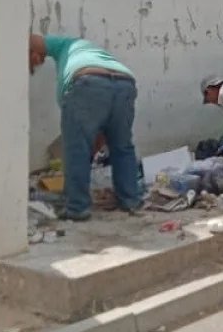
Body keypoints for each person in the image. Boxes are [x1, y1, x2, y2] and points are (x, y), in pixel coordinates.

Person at [29, 34, 143, 220]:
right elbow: (101, 123)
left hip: (87, 81)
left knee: (76, 149)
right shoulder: (82, 48)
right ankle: (130, 199)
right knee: (122, 146)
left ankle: (77, 207)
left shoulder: (62, 45)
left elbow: (32, 40)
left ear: (32, 52)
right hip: (124, 82)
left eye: (32, 62)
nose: (35, 64)